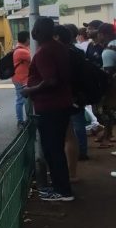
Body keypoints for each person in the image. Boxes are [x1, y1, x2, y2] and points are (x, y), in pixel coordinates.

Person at [22, 17, 74, 202]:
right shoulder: (59, 47)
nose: (33, 33)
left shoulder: (45, 52)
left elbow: (50, 80)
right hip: (60, 104)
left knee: (53, 149)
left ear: (40, 32)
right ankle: (61, 186)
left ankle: (63, 191)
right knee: (55, 147)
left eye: (35, 29)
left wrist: (30, 90)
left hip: (50, 106)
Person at [53, 24, 85, 179]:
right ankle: (72, 172)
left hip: (65, 97)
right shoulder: (77, 51)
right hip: (77, 96)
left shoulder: (62, 53)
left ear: (57, 37)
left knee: (67, 135)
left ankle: (70, 174)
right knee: (72, 133)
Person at [11, 31, 32, 129]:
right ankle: (21, 121)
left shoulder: (19, 48)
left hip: (20, 78)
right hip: (21, 79)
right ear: (27, 39)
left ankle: (24, 120)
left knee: (23, 100)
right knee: (21, 100)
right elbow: (34, 59)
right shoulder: (22, 51)